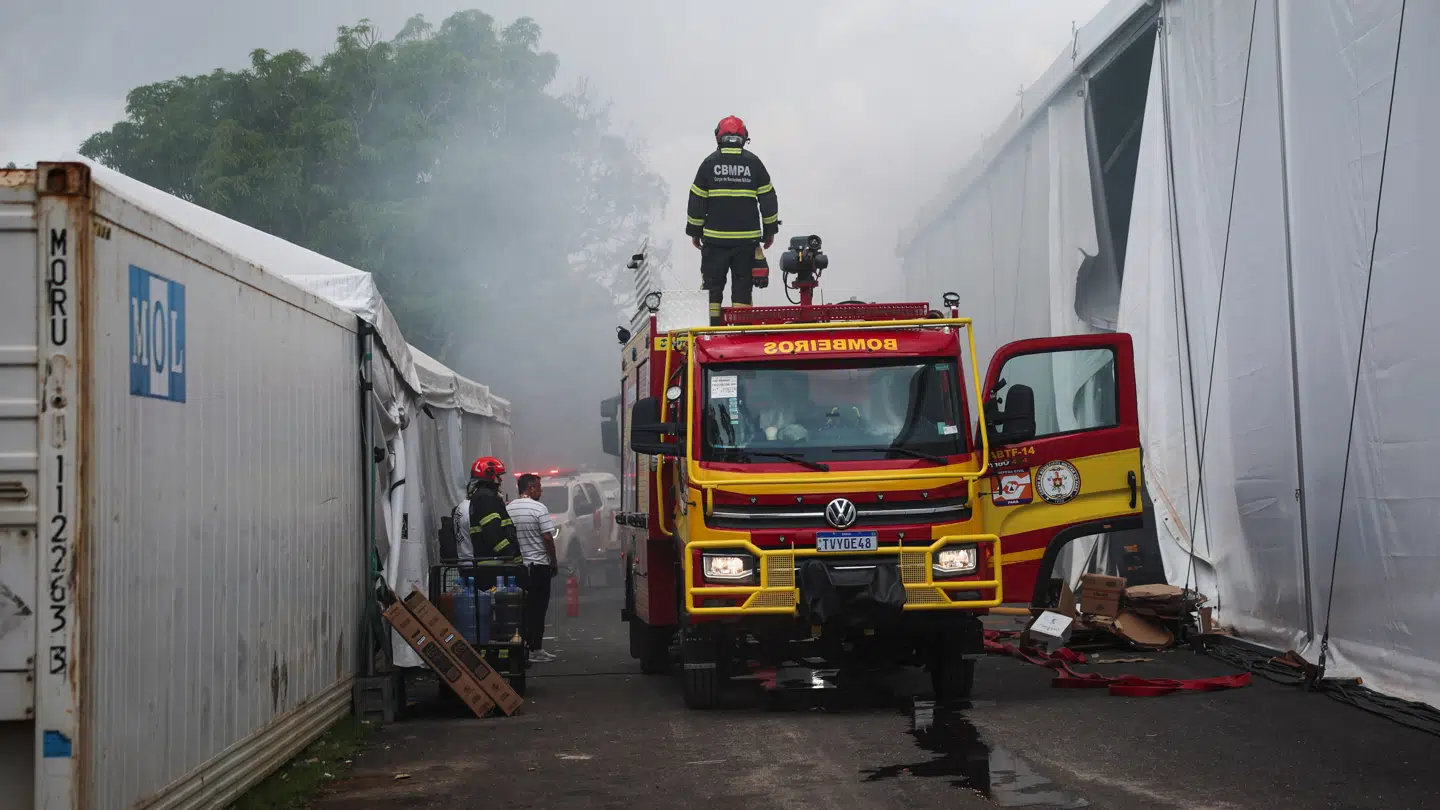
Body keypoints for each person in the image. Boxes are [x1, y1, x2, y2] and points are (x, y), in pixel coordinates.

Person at [686, 115, 780, 325]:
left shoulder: (709, 164)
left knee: (712, 288)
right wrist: (769, 231)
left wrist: (695, 232)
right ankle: (741, 330)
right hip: (746, 242)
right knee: (742, 288)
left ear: (718, 136)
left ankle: (711, 331)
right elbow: (768, 200)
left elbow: (697, 201)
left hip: (715, 242)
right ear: (744, 137)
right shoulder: (754, 163)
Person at [506, 473, 560, 664]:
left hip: (517, 568)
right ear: (530, 488)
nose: (541, 491)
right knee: (538, 609)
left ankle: (519, 646)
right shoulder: (539, 508)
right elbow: (547, 538)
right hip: (538, 567)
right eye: (538, 487)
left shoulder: (508, 508)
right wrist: (553, 561)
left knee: (520, 610)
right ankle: (535, 648)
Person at [455, 456, 519, 561]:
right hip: (496, 565)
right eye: (498, 476)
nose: (500, 480)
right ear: (490, 475)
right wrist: (510, 556)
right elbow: (493, 534)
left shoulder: (471, 502)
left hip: (479, 563)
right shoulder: (486, 499)